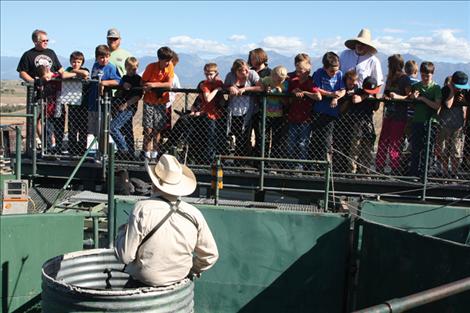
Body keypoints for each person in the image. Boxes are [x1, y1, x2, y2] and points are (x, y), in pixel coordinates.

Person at [115, 154, 219, 287]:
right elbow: (210, 255)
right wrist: (192, 269)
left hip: (141, 287)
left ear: (154, 183)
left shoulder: (142, 209)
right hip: (180, 288)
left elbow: (124, 256)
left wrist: (122, 233)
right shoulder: (194, 213)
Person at [340, 28, 384, 173]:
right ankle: (342, 167)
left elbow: (378, 85)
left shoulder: (373, 61)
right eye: (358, 43)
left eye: (363, 44)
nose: (360, 46)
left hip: (363, 102)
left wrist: (363, 97)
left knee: (361, 138)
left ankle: (360, 170)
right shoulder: (345, 55)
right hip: (344, 98)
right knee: (343, 136)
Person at [375, 54, 410, 175]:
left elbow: (409, 96)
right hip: (388, 114)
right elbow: (385, 93)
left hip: (399, 115)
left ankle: (394, 168)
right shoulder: (390, 78)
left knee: (395, 143)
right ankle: (379, 166)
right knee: (383, 141)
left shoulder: (405, 79)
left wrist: (398, 97)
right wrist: (385, 97)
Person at [310, 52, 346, 167]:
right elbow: (316, 88)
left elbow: (342, 90)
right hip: (319, 111)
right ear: (325, 68)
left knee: (327, 140)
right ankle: (312, 165)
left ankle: (324, 166)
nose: (334, 73)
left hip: (331, 113)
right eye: (331, 71)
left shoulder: (339, 74)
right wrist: (331, 94)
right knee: (316, 139)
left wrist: (336, 97)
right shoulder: (319, 73)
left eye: (336, 70)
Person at [224, 59, 262, 163]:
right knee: (236, 135)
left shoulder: (252, 74)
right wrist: (230, 88)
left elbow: (260, 87)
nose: (244, 72)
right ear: (235, 71)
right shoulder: (230, 76)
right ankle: (236, 159)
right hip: (234, 109)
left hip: (248, 110)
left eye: (246, 70)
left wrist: (246, 89)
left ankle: (244, 161)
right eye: (241, 71)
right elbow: (225, 86)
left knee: (246, 136)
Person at [408, 61, 442, 177]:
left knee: (428, 149)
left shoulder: (436, 88)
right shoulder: (416, 86)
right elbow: (411, 104)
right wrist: (413, 98)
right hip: (418, 120)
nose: (425, 78)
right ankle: (414, 173)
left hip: (431, 122)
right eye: (423, 75)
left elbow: (437, 105)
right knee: (416, 148)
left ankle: (425, 173)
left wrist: (422, 99)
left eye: (427, 75)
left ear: (432, 74)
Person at [286, 60, 321, 170]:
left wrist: (305, 93)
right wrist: (294, 92)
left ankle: (300, 164)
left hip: (306, 118)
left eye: (300, 71)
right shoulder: (294, 81)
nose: (298, 73)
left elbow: (318, 96)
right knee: (290, 142)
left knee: (303, 143)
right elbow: (288, 92)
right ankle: (289, 164)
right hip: (293, 116)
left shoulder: (311, 82)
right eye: (297, 71)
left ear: (307, 72)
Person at [141, 46, 175, 161]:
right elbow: (143, 82)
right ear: (159, 59)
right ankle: (146, 152)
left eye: (169, 60)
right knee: (148, 128)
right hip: (149, 101)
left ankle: (155, 153)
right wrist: (149, 86)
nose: (168, 63)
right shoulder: (151, 67)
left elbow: (169, 84)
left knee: (158, 129)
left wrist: (153, 85)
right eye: (166, 60)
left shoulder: (170, 67)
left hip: (161, 101)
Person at [435, 71, 469, 179]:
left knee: (456, 151)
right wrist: (452, 91)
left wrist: (464, 101)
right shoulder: (446, 90)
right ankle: (445, 173)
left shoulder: (465, 92)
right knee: (444, 151)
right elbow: (448, 105)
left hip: (457, 126)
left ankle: (454, 174)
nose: (460, 89)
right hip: (445, 125)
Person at [87, 45, 121, 154]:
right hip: (93, 102)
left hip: (104, 104)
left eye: (106, 57)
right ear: (97, 58)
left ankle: (105, 152)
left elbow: (118, 81)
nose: (104, 60)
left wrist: (104, 83)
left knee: (103, 130)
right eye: (102, 57)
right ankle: (101, 150)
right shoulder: (95, 66)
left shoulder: (111, 67)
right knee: (95, 131)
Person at [191, 63, 226, 163]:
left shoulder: (219, 82)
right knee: (210, 138)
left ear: (216, 73)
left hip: (219, 114)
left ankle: (219, 158)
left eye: (211, 74)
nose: (208, 76)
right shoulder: (205, 84)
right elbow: (208, 98)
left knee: (219, 137)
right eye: (206, 74)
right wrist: (216, 90)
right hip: (209, 115)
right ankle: (209, 160)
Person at [110, 57, 143, 159]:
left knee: (113, 127)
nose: (132, 71)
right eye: (130, 69)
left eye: (134, 69)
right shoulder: (124, 78)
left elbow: (138, 96)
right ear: (125, 67)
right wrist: (122, 86)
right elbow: (119, 92)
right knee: (127, 130)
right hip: (119, 105)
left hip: (129, 107)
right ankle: (130, 154)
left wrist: (126, 104)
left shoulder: (138, 79)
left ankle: (124, 149)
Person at [257, 65, 289, 163]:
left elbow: (285, 101)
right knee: (263, 137)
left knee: (276, 139)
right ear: (272, 76)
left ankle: (273, 161)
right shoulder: (267, 80)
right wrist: (264, 88)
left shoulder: (285, 85)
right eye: (277, 80)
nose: (279, 82)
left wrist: (279, 93)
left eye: (281, 80)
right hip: (265, 114)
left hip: (278, 115)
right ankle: (262, 159)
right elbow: (259, 83)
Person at [62, 51, 90, 156]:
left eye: (78, 62)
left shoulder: (84, 69)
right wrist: (76, 72)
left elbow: (86, 74)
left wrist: (76, 73)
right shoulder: (68, 70)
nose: (76, 64)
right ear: (70, 61)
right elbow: (64, 75)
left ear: (82, 62)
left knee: (83, 128)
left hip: (83, 105)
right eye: (74, 62)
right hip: (72, 104)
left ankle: (82, 149)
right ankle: (72, 149)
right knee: (72, 128)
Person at [248, 48, 272, 160]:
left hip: (263, 108)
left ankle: (261, 159)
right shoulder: (249, 71)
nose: (251, 60)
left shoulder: (269, 72)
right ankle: (248, 158)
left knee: (261, 135)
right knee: (246, 134)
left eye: (253, 58)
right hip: (249, 107)